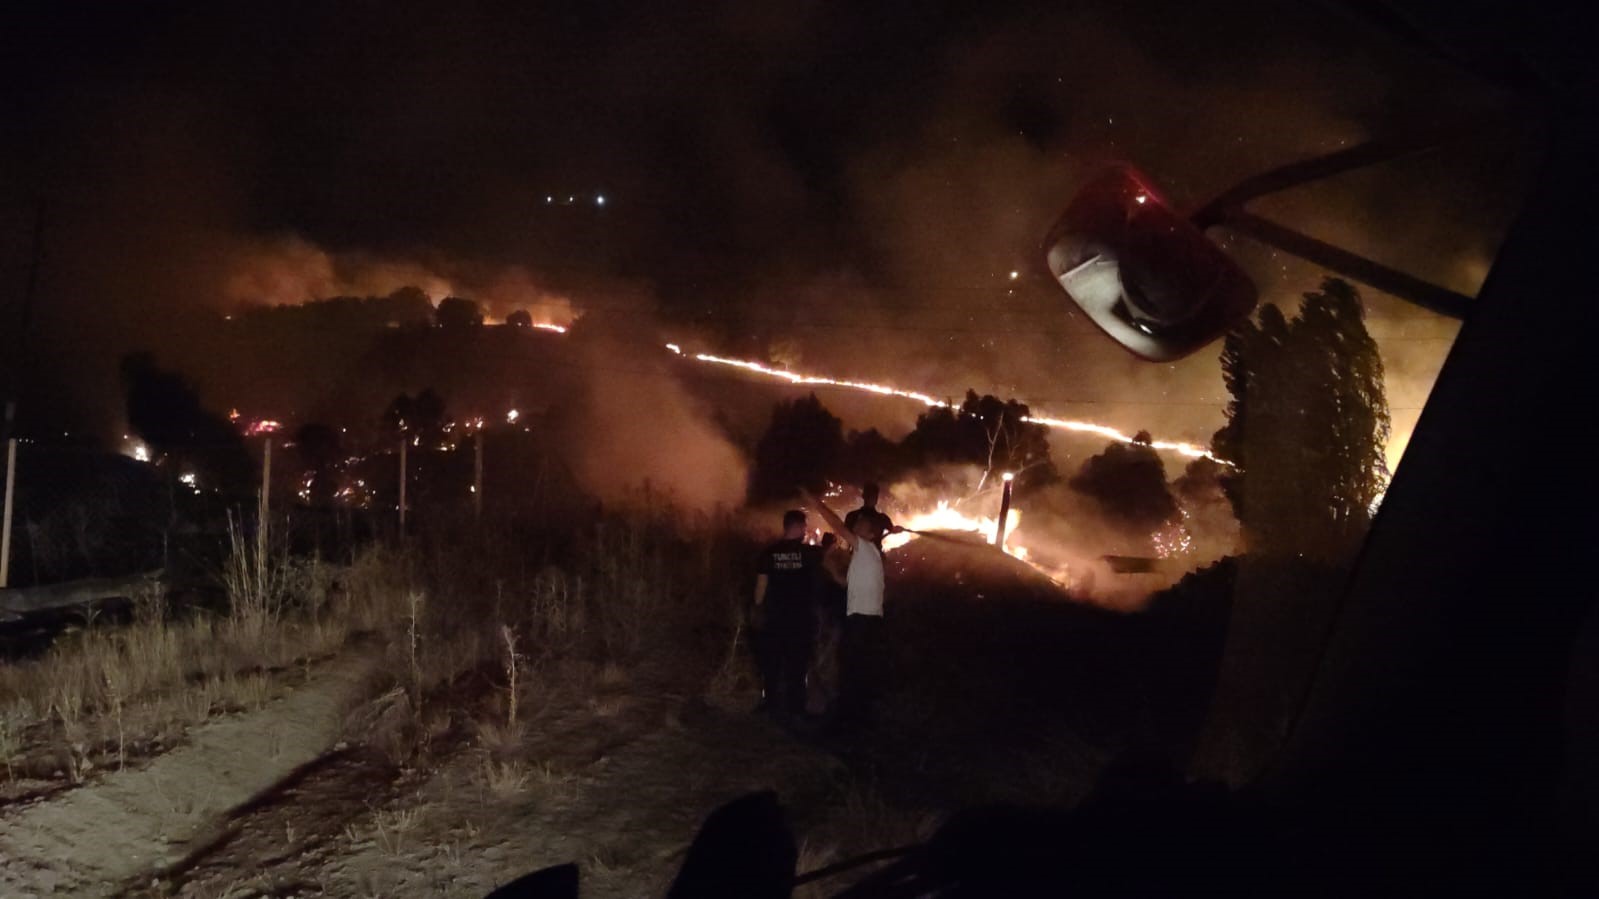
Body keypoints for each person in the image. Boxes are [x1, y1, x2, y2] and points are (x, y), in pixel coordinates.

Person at [799, 486, 887, 729]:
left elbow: (837, 525)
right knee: (856, 667)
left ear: (869, 534)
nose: (854, 526)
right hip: (867, 620)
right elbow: (848, 584)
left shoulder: (865, 547)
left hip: (862, 620)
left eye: (859, 525)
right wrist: (830, 570)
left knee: (851, 668)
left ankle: (848, 721)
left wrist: (816, 503)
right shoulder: (871, 555)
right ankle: (857, 716)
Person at [752, 509, 820, 721]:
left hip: (774, 617)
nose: (805, 531)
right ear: (799, 527)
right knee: (797, 665)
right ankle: (796, 708)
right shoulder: (810, 554)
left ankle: (770, 704)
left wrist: (757, 609)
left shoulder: (769, 553)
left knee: (771, 662)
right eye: (804, 527)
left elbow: (760, 588)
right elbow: (820, 583)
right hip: (800, 618)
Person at [806, 532, 850, 719]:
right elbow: (841, 585)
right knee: (826, 660)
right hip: (827, 618)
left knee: (820, 659)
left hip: (822, 616)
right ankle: (824, 704)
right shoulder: (829, 564)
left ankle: (819, 704)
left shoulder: (818, 561)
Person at [843, 481, 895, 547]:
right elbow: (845, 538)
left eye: (874, 495)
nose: (872, 498)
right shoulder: (852, 516)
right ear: (864, 496)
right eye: (870, 495)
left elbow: (893, 529)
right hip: (859, 555)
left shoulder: (882, 518)